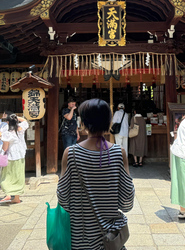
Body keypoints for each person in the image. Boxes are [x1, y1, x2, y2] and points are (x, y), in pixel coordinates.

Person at [57, 98, 135, 249]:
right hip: (111, 240)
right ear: (108, 123)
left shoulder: (70, 153)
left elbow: (63, 200)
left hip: (79, 240)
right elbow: (127, 203)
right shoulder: (119, 153)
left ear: (84, 124)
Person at [0, 113, 29, 204]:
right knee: (18, 175)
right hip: (21, 154)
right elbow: (25, 121)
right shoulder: (21, 128)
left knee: (7, 176)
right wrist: (16, 117)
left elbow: (5, 148)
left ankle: (8, 194)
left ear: (7, 122)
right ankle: (16, 198)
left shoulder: (7, 133)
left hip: (11, 156)